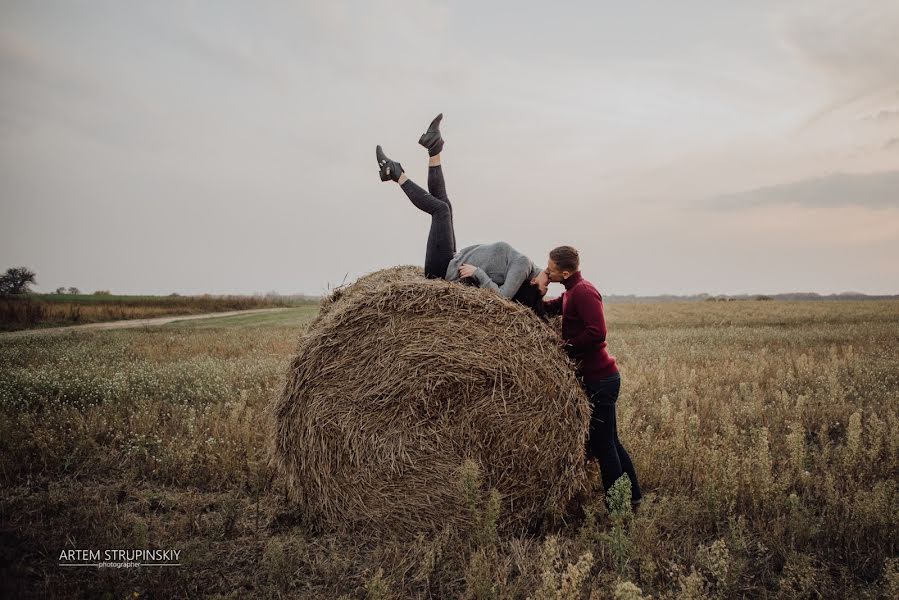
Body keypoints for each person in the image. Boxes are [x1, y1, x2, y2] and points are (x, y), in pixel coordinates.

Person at [375, 114, 547, 317]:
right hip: (451, 259)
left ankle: (394, 173)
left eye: (546, 287)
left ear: (534, 283)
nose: (548, 286)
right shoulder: (524, 270)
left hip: (442, 270)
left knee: (441, 210)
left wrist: (478, 273)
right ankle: (433, 148)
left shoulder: (523, 266)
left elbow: (503, 298)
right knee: (445, 204)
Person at [541, 246, 643, 508]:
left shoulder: (584, 292)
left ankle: (617, 507)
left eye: (550, 267)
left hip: (601, 379)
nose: (547, 270)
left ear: (564, 272)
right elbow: (551, 308)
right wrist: (530, 293)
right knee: (610, 440)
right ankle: (633, 497)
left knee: (603, 444)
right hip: (597, 378)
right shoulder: (570, 292)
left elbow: (597, 333)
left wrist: (564, 347)